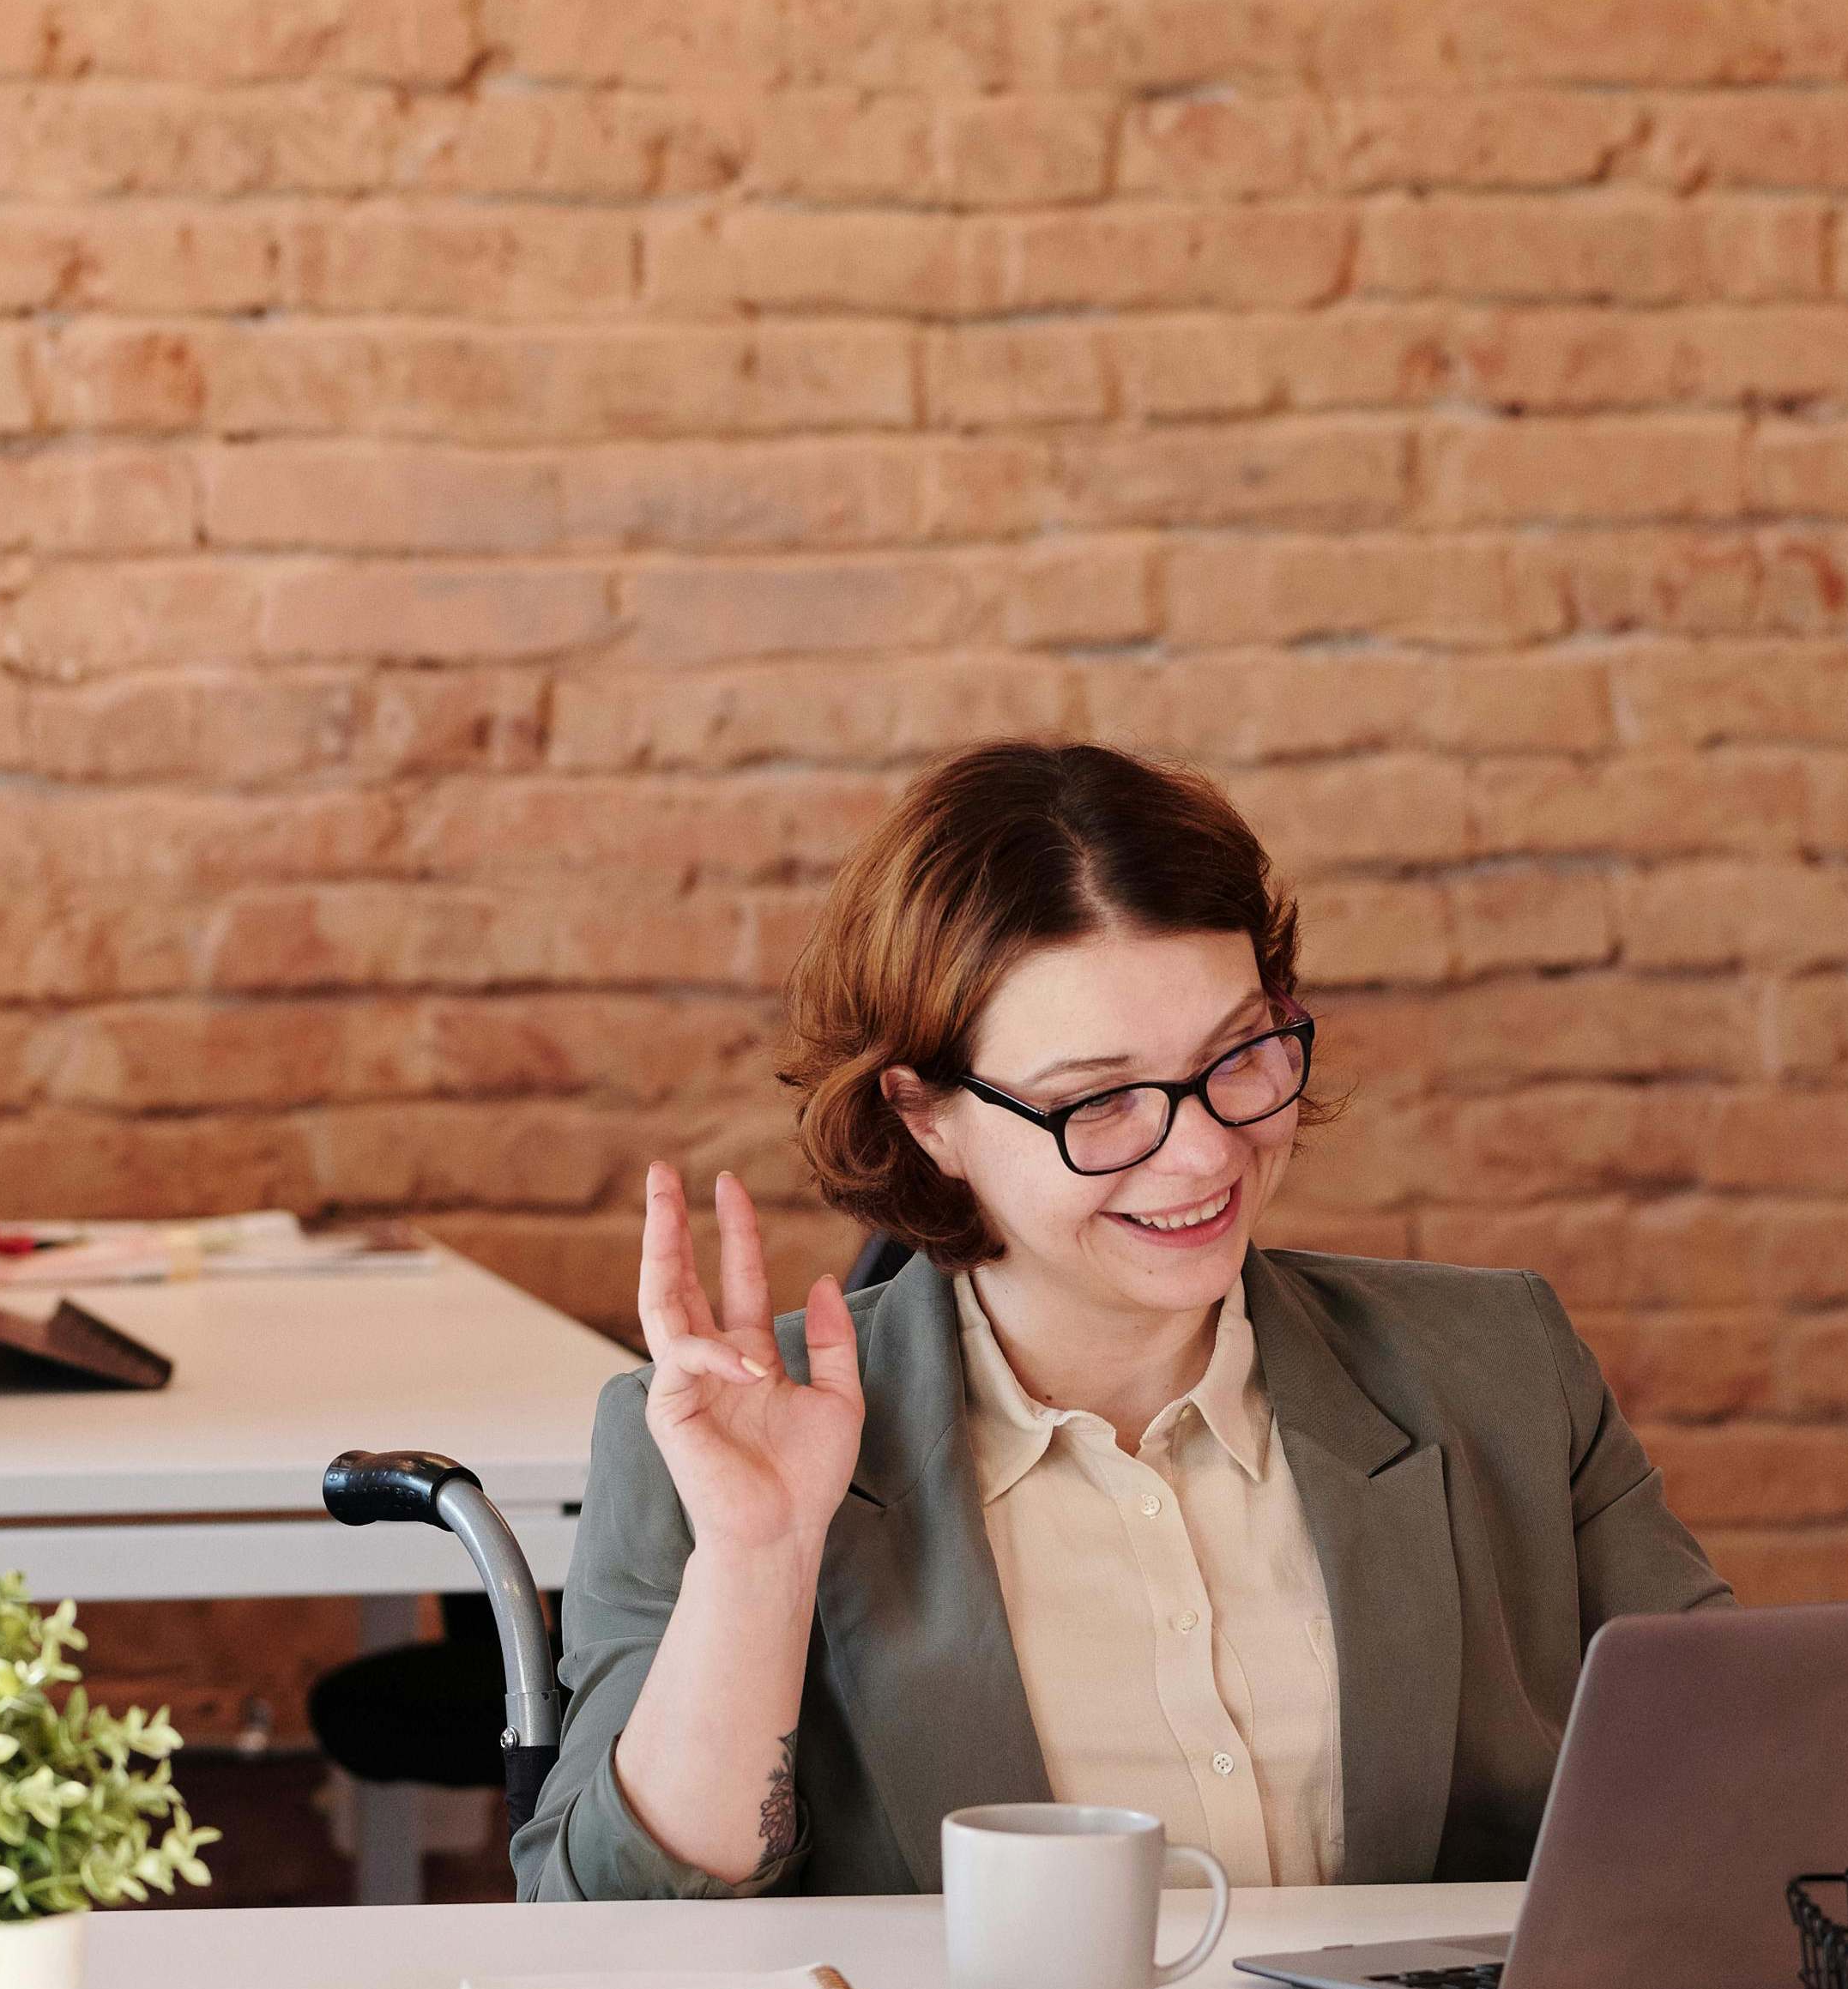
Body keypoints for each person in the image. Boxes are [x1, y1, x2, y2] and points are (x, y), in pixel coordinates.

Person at [515, 739, 1730, 1902]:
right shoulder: (712, 1439)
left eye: (1239, 1054)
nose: (1202, 1150)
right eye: (1097, 1101)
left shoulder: (1498, 1368)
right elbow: (608, 1919)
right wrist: (758, 1568)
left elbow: (1742, 1775)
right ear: (926, 1114)